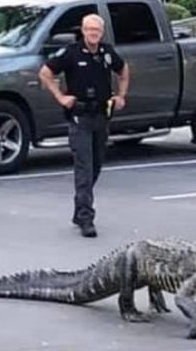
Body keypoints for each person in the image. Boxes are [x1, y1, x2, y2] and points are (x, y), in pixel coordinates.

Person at [38, 14, 129, 238]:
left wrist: (121, 95)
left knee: (96, 165)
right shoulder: (71, 52)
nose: (93, 34)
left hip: (101, 115)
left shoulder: (107, 52)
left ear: (102, 31)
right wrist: (60, 97)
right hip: (80, 117)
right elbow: (45, 73)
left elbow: (124, 70)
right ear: (83, 30)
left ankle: (80, 208)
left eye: (97, 30)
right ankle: (87, 218)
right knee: (84, 169)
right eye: (89, 29)